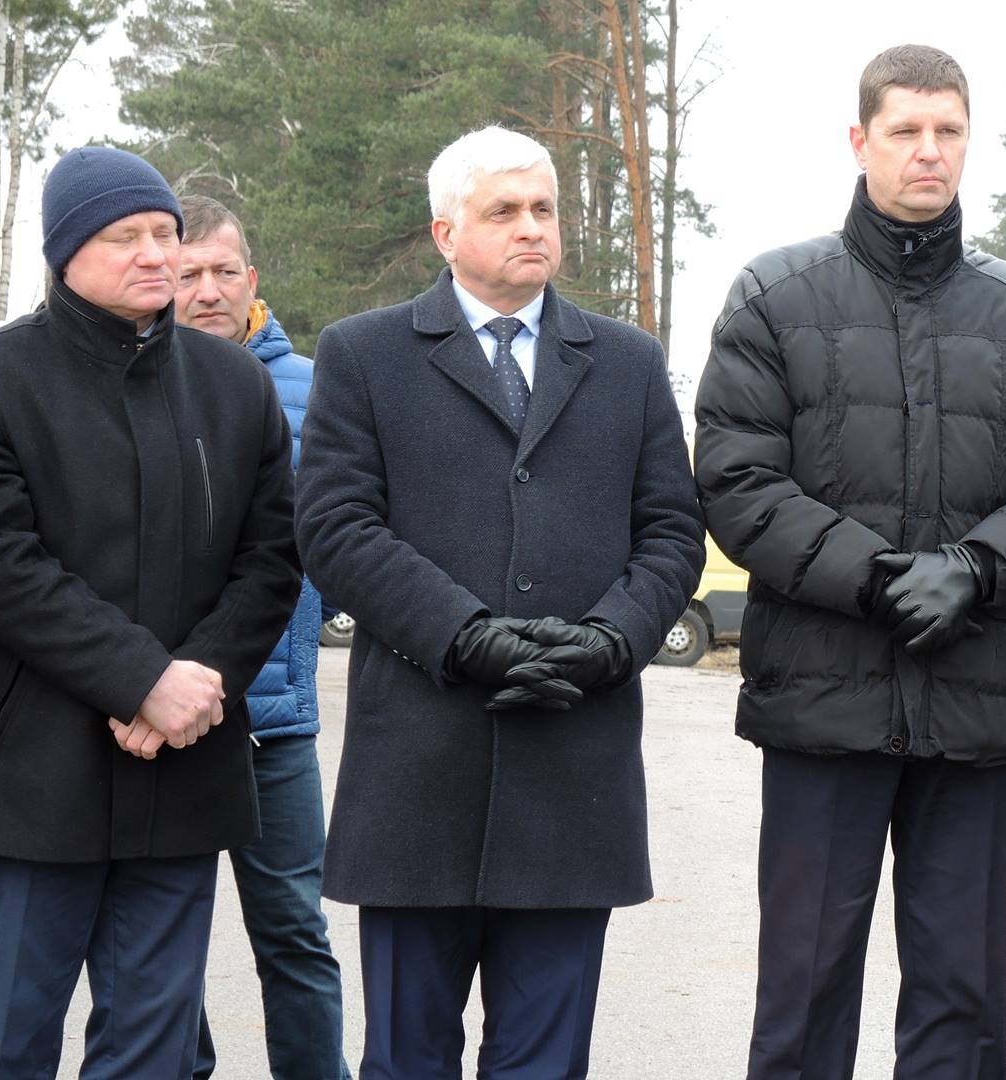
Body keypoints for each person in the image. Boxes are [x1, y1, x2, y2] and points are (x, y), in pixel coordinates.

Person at [695, 44, 1006, 1080]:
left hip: (968, 701)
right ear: (860, 141)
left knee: (962, 1002)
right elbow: (738, 481)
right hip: (822, 701)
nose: (929, 151)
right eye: (906, 130)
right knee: (805, 989)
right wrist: (874, 575)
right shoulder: (775, 294)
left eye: (948, 130)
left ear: (969, 140)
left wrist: (977, 566)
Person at [294, 125, 704, 1078]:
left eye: (544, 209)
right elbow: (337, 530)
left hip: (573, 765)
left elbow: (673, 532)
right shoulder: (365, 354)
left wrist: (612, 640)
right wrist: (465, 636)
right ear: (446, 233)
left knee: (545, 1065)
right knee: (406, 1061)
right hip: (419, 771)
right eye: (504, 211)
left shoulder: (628, 362)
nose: (531, 227)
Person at [0, 146, 301, 1078]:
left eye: (165, 233)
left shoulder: (234, 384)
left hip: (183, 772)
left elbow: (272, 559)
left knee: (153, 1056)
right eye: (124, 236)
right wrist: (143, 680)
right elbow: (0, 567)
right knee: (4, 1050)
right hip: (33, 776)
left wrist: (195, 686)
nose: (156, 255)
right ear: (64, 253)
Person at [172, 194, 348, 1080]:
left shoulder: (319, 389)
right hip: (158, 714)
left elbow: (345, 534)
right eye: (189, 273)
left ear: (253, 279)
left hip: (272, 723)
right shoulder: (131, 384)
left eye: (224, 271)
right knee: (164, 939)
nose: (207, 291)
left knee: (293, 932)